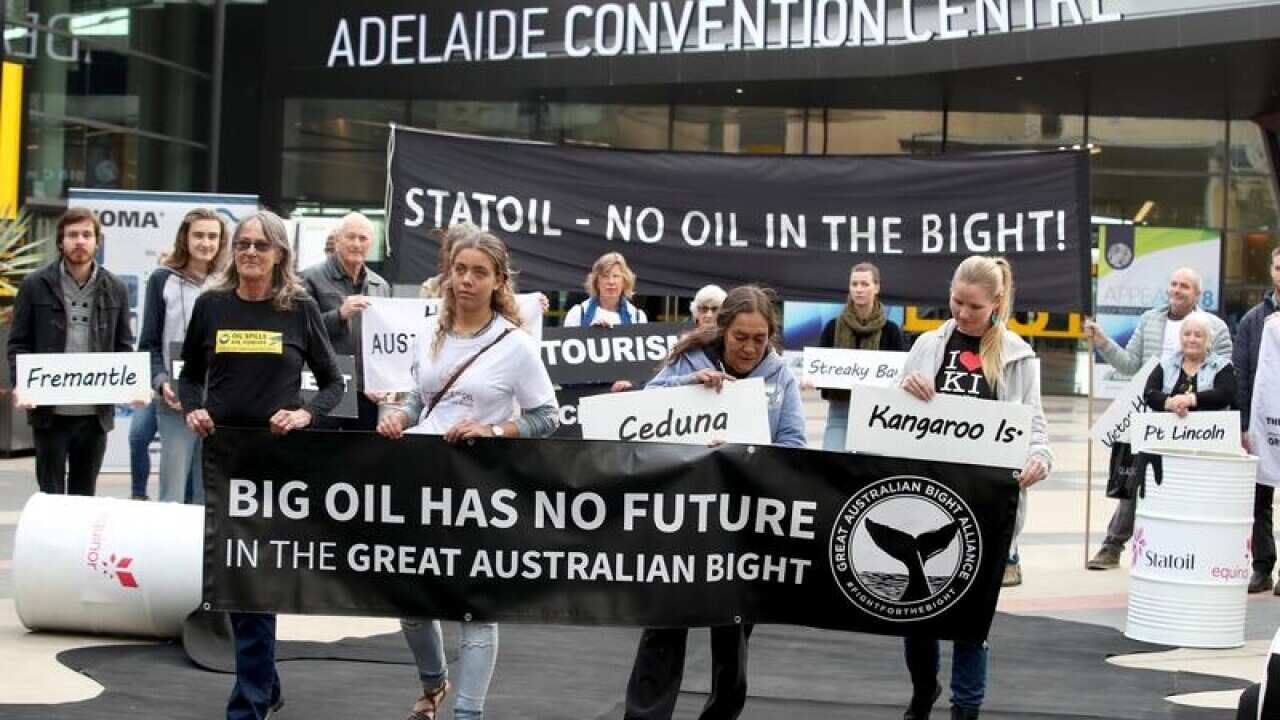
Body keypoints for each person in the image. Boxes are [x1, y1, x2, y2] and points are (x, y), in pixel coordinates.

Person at [376, 224, 559, 720]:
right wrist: (401, 415)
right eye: (459, 270)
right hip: (422, 480)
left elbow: (548, 415)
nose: (466, 280)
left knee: (475, 606)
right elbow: (421, 396)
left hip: (480, 487)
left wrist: (495, 431)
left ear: (499, 280)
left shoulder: (515, 345)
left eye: (479, 272)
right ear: (448, 273)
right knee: (411, 602)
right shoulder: (430, 331)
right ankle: (433, 683)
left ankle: (467, 713)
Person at [178, 210, 344, 720]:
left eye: (262, 246)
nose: (250, 253)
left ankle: (248, 702)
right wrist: (193, 407)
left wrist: (303, 413)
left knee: (257, 577)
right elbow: (189, 377)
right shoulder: (211, 306)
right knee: (232, 577)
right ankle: (265, 684)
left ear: (280, 255)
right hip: (223, 459)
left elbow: (334, 384)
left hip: (277, 465)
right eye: (244, 244)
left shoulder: (299, 308)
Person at [623, 285, 805, 720]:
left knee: (734, 635)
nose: (749, 347)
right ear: (723, 330)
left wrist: (743, 449)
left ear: (771, 336)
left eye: (759, 339)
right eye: (740, 336)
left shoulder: (781, 377)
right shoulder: (689, 359)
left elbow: (794, 444)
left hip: (743, 527)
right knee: (665, 628)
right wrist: (687, 385)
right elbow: (639, 412)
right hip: (682, 521)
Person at [897, 256, 1052, 720]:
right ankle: (924, 690)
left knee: (972, 623)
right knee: (917, 614)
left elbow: (1035, 425)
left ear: (997, 302)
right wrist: (904, 388)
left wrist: (1039, 458)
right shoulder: (927, 344)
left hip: (986, 505)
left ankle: (966, 710)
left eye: (974, 306)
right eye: (956, 301)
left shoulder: (1019, 356)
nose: (963, 313)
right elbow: (893, 414)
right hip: (925, 498)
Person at [1083, 267, 1232, 570]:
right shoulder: (1150, 320)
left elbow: (1225, 375)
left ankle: (1185, 551)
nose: (1177, 290)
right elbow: (1129, 365)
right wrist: (1102, 342)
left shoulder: (1214, 326)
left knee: (1188, 487)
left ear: (1197, 294)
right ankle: (1112, 546)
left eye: (1185, 286)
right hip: (1151, 416)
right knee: (1136, 482)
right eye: (1174, 283)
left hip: (1198, 424)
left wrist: (1196, 402)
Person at [7, 207, 134, 496]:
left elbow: (123, 346)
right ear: (60, 241)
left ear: (97, 242)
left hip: (94, 414)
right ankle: (51, 543)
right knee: (50, 494)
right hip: (50, 411)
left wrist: (131, 385)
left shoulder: (115, 288)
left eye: (87, 235)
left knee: (84, 495)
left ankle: (79, 544)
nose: (80, 241)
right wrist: (21, 383)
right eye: (73, 235)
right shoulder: (34, 285)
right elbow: (18, 343)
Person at [138, 208, 228, 504]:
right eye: (199, 235)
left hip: (217, 400)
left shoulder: (229, 282)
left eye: (213, 236)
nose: (206, 243)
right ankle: (167, 550)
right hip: (175, 400)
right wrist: (161, 381)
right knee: (173, 491)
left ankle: (204, 551)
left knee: (209, 492)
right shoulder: (162, 279)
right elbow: (149, 343)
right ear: (185, 239)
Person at [301, 212, 391, 430]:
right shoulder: (309, 278)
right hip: (323, 387)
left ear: (371, 244)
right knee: (323, 455)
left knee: (361, 458)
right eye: (351, 237)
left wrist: (380, 381)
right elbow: (302, 332)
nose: (357, 244)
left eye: (363, 238)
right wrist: (340, 314)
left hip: (366, 392)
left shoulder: (381, 286)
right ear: (337, 239)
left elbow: (385, 343)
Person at [818, 262, 907, 451]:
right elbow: (820, 374)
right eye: (854, 284)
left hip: (878, 414)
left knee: (868, 472)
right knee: (830, 465)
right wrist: (813, 378)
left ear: (877, 287)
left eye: (865, 284)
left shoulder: (891, 331)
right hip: (840, 411)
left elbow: (899, 378)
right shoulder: (832, 327)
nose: (859, 289)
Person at [1233, 245, 1280, 593]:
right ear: (1271, 271)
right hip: (1262, 427)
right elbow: (1242, 372)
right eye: (1278, 267)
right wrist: (1244, 424)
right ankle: (1263, 567)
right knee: (1258, 498)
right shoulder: (1253, 319)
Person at [564, 252, 648, 392]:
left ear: (624, 281)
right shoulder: (578, 313)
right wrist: (589, 335)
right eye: (605, 276)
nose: (611, 281)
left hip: (623, 396)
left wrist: (630, 382)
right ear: (597, 281)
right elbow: (566, 362)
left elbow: (643, 365)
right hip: (585, 393)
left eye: (616, 276)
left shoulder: (638, 317)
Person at [1143, 311, 1236, 418]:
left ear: (1208, 339)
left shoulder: (1222, 366)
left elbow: (1225, 394)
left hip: (1209, 432)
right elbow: (1149, 394)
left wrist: (1190, 400)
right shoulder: (1165, 365)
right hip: (1168, 433)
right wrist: (1171, 403)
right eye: (1187, 334)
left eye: (1198, 335)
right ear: (1180, 337)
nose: (1191, 340)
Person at [127, 401, 157, 500]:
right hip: (149, 393)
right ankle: (138, 494)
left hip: (180, 392)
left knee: (183, 448)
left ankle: (189, 498)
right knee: (137, 437)